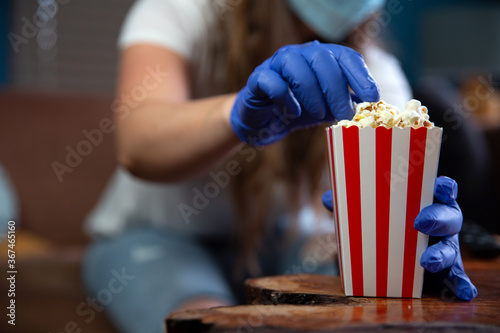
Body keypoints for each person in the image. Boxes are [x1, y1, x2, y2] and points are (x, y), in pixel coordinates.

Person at [83, 1, 477, 332]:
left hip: (291, 243)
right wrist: (235, 113)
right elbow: (139, 142)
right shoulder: (183, 11)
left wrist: (407, 248)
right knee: (210, 319)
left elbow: (380, 212)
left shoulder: (376, 76)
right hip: (158, 237)